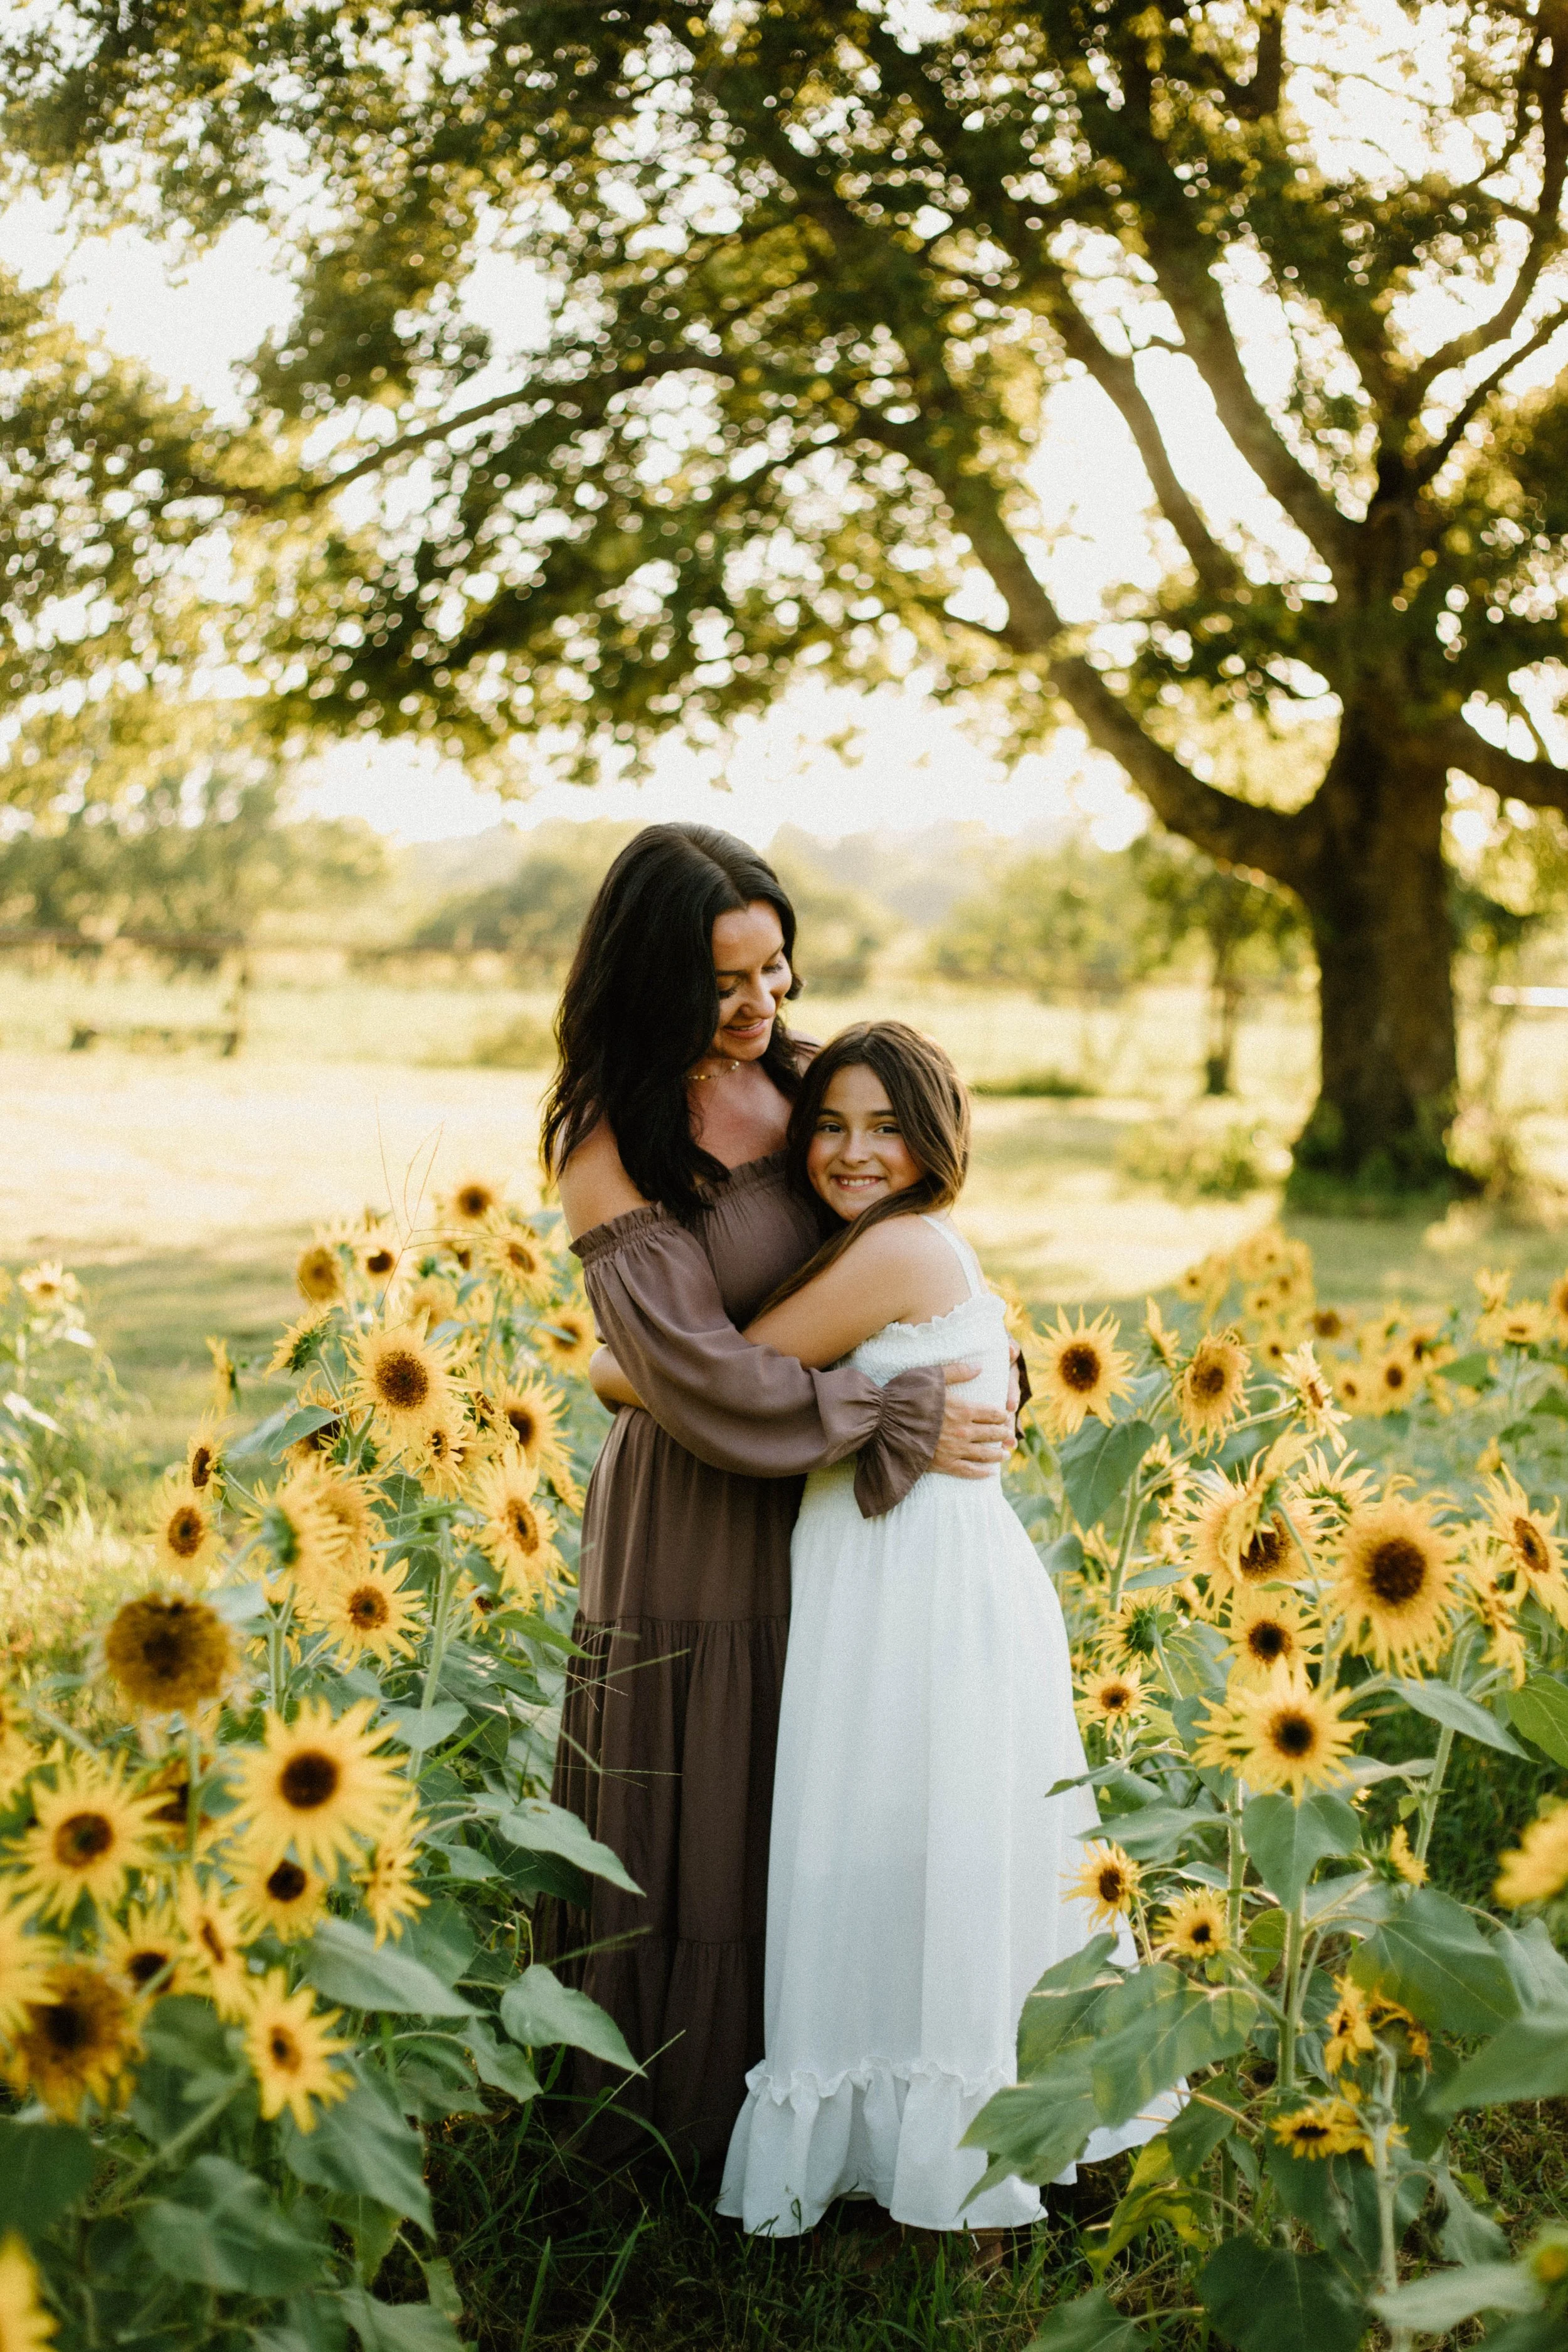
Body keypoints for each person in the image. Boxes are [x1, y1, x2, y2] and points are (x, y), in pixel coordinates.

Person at [541, 827, 1014, 2173]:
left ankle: (850, 2109)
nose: (763, 1008)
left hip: (841, 1518)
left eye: (776, 968)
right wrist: (896, 1414)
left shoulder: (809, 1085)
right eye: (725, 982)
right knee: (706, 1797)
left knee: (828, 1790)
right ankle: (683, 2130)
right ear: (649, 981)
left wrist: (982, 1365)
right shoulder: (608, 1137)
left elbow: (907, 1241)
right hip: (700, 1512)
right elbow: (690, 1375)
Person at [705, 1022, 1168, 2237]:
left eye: (884, 1125)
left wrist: (610, 1363)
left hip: (907, 1584)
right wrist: (895, 1407)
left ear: (935, 1135)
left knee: (886, 1834)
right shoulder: (902, 1243)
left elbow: (728, 1375)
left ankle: (933, 2136)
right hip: (923, 1574)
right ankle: (964, 2114)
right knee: (936, 1846)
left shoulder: (901, 1249)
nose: (852, 1151)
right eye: (829, 1125)